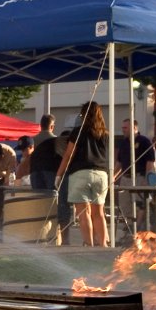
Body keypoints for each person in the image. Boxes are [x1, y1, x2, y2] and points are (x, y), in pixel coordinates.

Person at [56, 101, 110, 247]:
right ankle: (104, 245)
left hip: (80, 173)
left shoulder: (77, 132)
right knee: (99, 213)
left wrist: (59, 174)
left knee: (83, 213)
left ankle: (89, 244)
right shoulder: (105, 133)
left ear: (83, 115)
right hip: (101, 174)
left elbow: (68, 155)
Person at [115, 118, 155, 236]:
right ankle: (129, 229)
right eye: (122, 128)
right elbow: (119, 163)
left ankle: (138, 228)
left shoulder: (144, 141)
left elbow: (150, 162)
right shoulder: (123, 143)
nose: (123, 130)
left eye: (125, 128)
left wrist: (147, 178)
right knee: (125, 205)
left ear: (134, 128)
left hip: (139, 177)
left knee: (140, 204)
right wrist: (112, 177)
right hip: (126, 178)